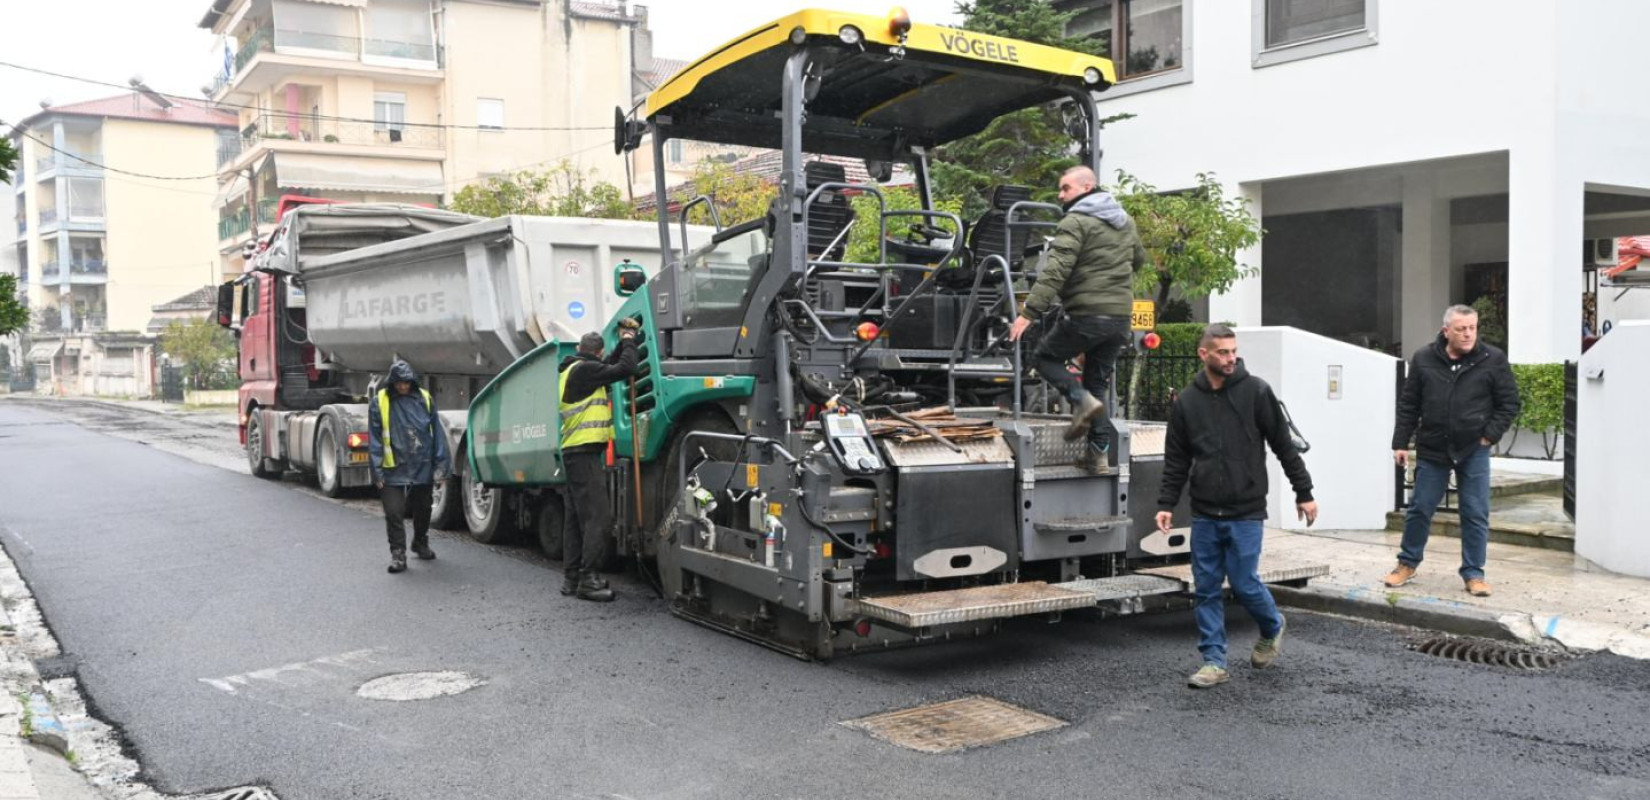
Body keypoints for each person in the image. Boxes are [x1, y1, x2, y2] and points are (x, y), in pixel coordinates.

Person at [1155, 324, 1318, 689]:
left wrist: (1303, 492)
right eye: (1223, 352)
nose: (1231, 358)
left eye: (1233, 351)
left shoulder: (1256, 391)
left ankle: (1272, 625)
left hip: (1246, 509)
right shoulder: (1187, 402)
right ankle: (1214, 662)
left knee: (1244, 583)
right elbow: (1176, 460)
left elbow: (1284, 446)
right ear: (1204, 354)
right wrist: (1166, 503)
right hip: (1204, 512)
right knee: (1206, 588)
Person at [1008, 165, 1147, 474]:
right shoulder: (1125, 221)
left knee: (1044, 358)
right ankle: (1098, 455)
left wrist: (1028, 313)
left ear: (1087, 187)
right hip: (1119, 318)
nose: (1060, 195)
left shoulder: (1075, 221)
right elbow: (1138, 260)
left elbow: (1055, 270)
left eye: (1065, 188)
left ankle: (1079, 400)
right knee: (1097, 383)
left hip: (1086, 314)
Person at [1386, 304, 1521, 597]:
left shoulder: (1493, 359)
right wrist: (1400, 442)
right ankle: (1407, 564)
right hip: (1433, 447)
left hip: (1474, 449)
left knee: (1475, 512)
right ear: (1446, 331)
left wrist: (1489, 436)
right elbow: (1409, 404)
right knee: (1420, 508)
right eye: (1461, 329)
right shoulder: (1424, 358)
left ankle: (1474, 573)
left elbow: (1509, 403)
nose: (1468, 334)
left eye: (1472, 328)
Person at [557, 322, 640, 602]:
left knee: (575, 519)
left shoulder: (576, 369)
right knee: (598, 517)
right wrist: (628, 339)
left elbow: (610, 365)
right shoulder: (584, 370)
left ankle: (572, 578)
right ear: (597, 352)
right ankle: (588, 579)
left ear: (580, 348)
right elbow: (625, 368)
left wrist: (623, 344)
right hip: (583, 453)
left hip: (574, 452)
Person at [369, 360, 450, 575]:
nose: (403, 387)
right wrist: (376, 470)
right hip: (391, 468)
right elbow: (375, 437)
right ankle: (398, 554)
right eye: (399, 383)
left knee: (423, 508)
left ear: (412, 382)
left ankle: (420, 542)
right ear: (392, 383)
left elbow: (437, 433)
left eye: (406, 383)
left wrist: (441, 465)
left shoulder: (425, 399)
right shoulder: (380, 401)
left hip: (421, 464)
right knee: (394, 512)